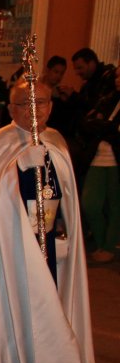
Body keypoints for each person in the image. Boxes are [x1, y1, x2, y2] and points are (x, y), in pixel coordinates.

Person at [0, 78, 95, 363]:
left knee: (47, 302)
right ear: (11, 108)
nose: (35, 110)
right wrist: (17, 167)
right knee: (19, 305)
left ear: (51, 105)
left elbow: (65, 189)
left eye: (42, 102)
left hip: (45, 238)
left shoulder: (56, 139)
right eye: (25, 104)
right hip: (11, 247)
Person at [80, 71, 120, 262]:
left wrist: (103, 126)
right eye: (117, 76)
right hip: (97, 156)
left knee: (115, 205)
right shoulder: (108, 99)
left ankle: (108, 247)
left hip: (116, 159)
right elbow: (87, 123)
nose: (117, 80)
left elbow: (112, 130)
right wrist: (106, 127)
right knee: (90, 204)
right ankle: (102, 242)